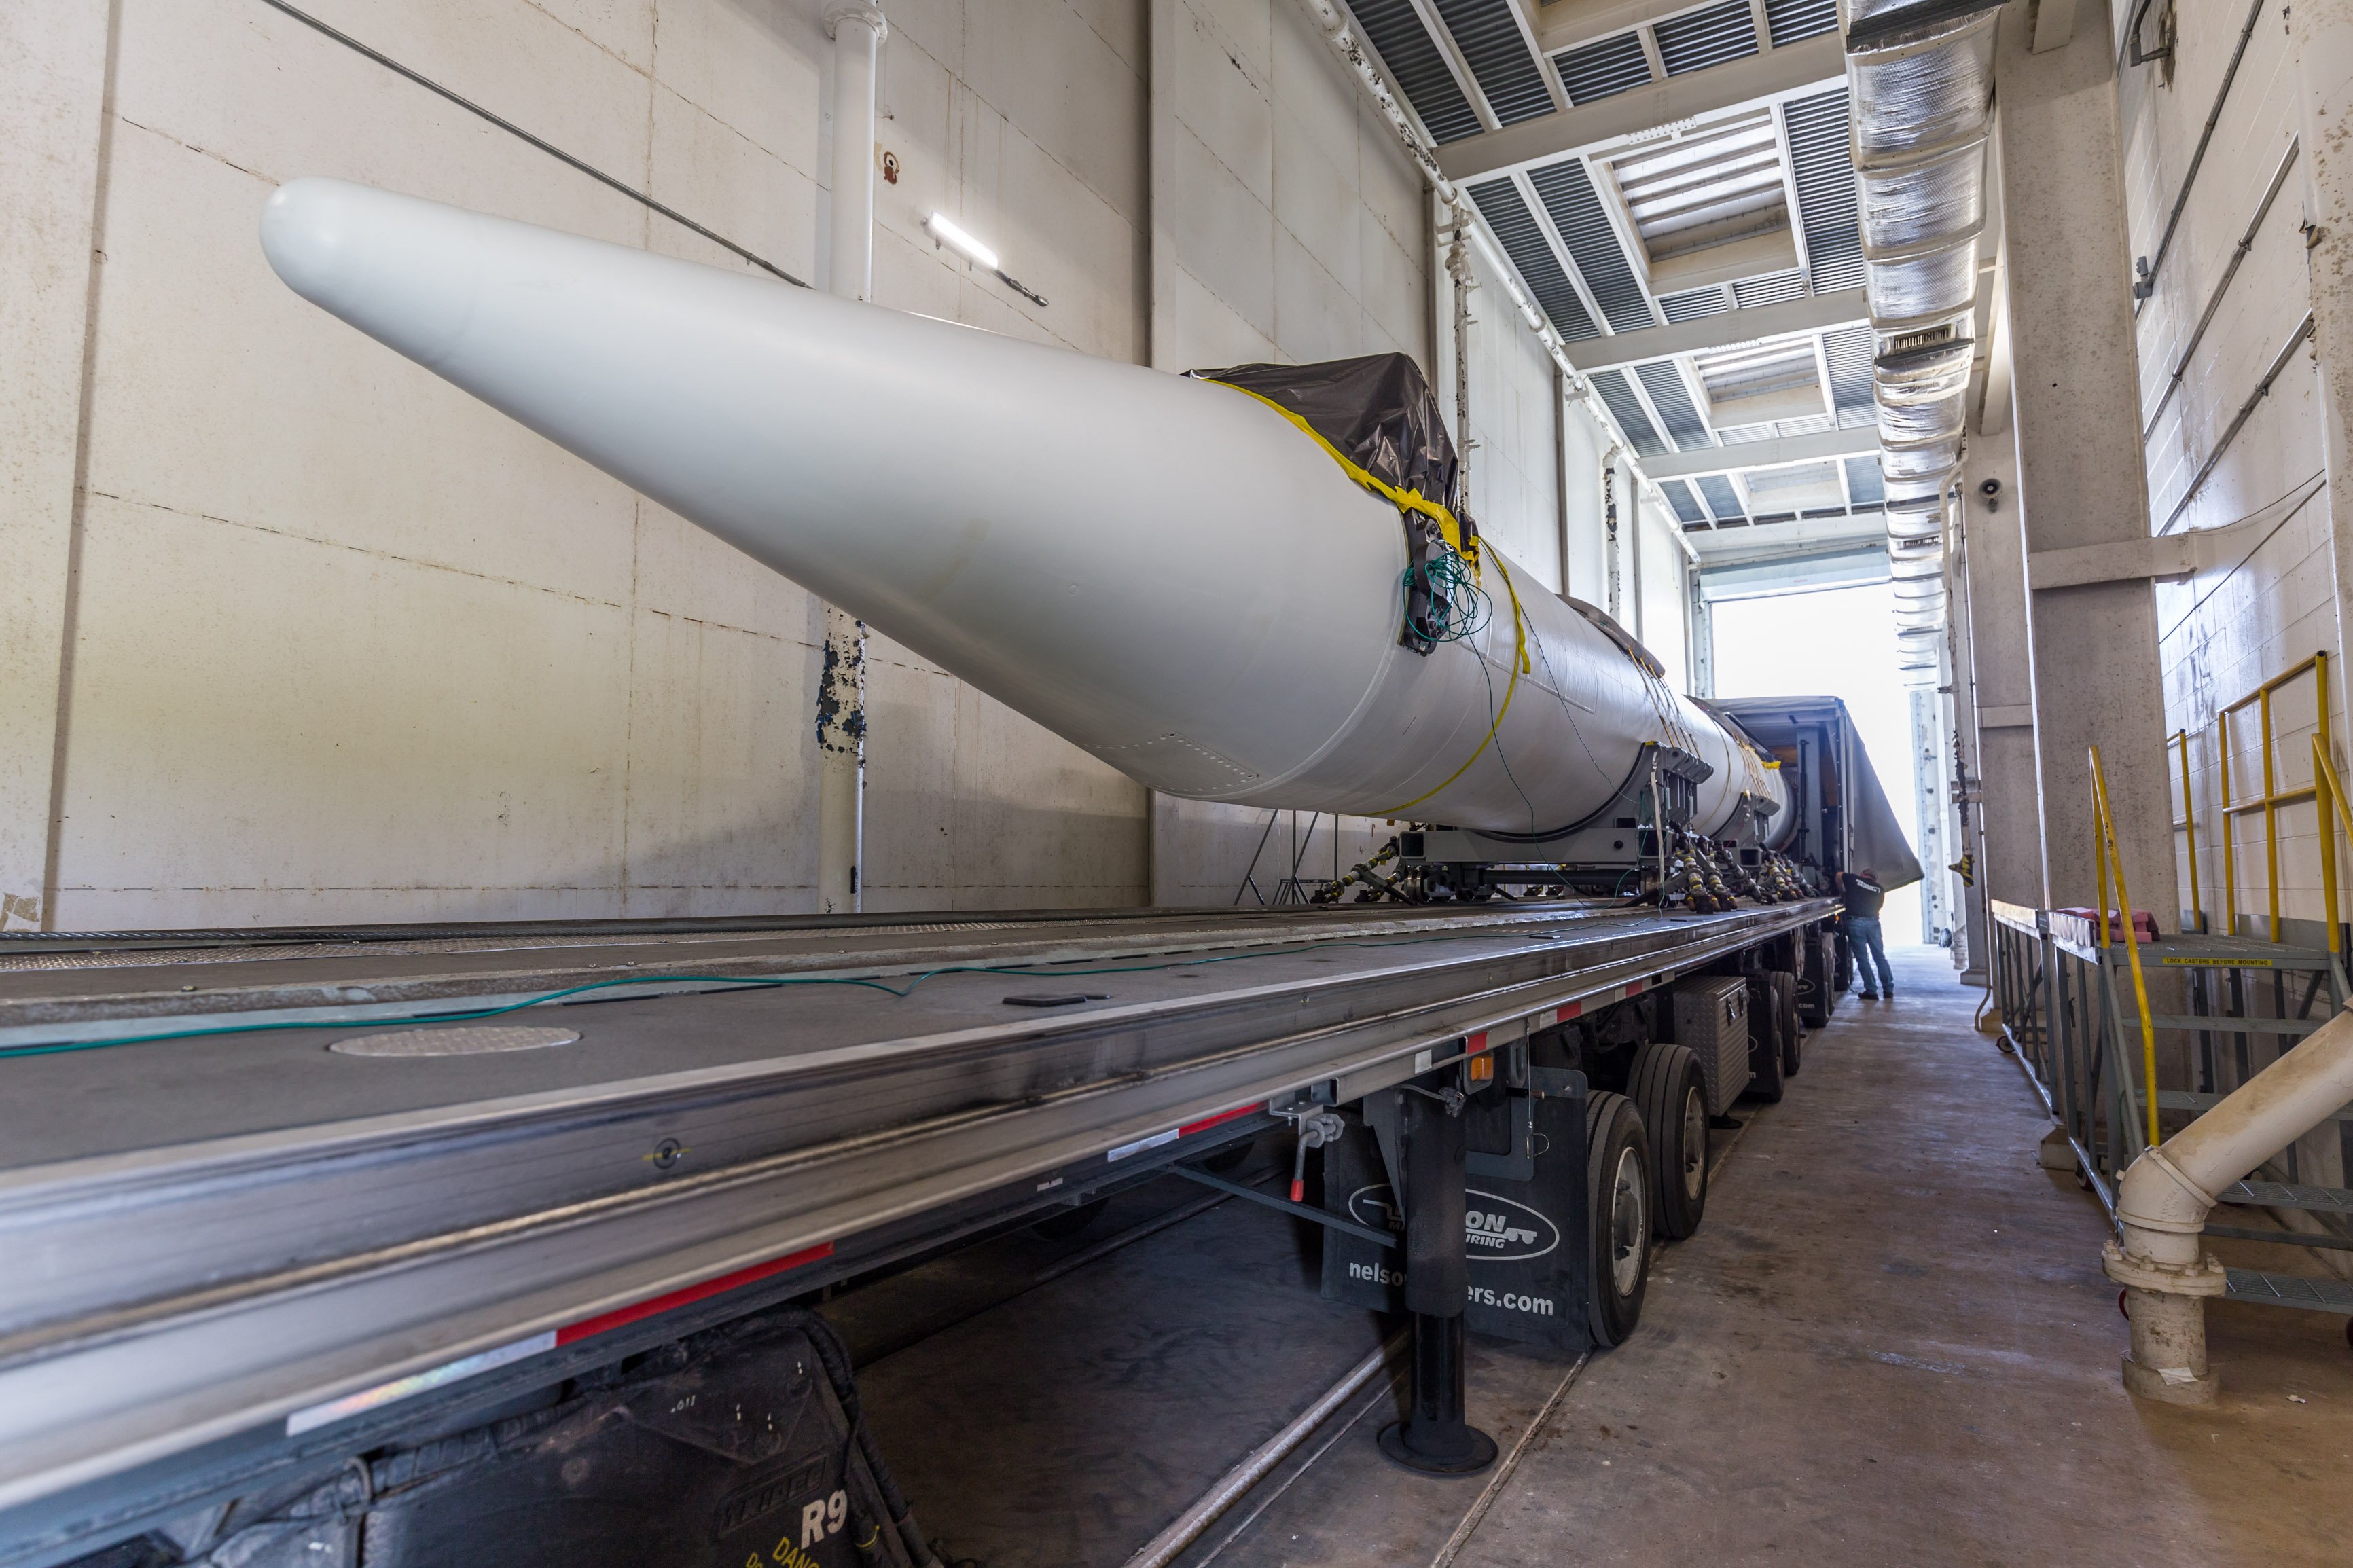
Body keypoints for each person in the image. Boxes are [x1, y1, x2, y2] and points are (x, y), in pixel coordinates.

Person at [1840, 868, 1894, 1000]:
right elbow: (1879, 906)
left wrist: (1842, 892)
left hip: (1856, 922)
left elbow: (1839, 875)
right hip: (1873, 923)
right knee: (1880, 957)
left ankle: (1871, 991)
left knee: (1862, 959)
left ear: (1863, 875)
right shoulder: (1880, 889)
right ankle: (1888, 990)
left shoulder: (1854, 879)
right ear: (1874, 879)